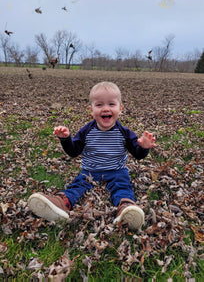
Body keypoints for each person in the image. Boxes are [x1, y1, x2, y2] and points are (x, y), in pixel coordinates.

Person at [28, 81, 156, 230]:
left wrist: (144, 147)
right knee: (78, 186)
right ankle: (61, 203)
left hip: (116, 171)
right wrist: (66, 139)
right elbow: (73, 152)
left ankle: (126, 209)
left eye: (111, 104)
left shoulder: (125, 133)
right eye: (99, 105)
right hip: (90, 171)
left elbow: (138, 154)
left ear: (120, 109)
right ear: (91, 110)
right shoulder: (86, 131)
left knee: (122, 187)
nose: (105, 108)